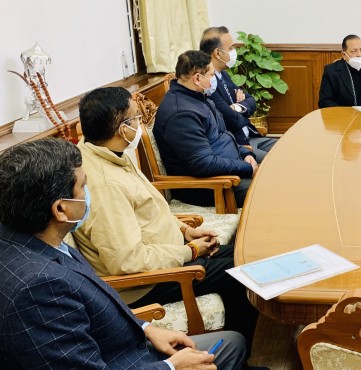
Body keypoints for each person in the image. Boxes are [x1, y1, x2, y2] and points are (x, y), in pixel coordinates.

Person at [0, 138, 246, 370]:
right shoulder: (39, 289)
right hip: (125, 360)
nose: (89, 193)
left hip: (127, 343)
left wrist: (147, 328)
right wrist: (171, 367)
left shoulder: (30, 239)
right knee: (232, 346)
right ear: (61, 209)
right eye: (83, 187)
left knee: (233, 342)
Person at [73, 86, 259, 346]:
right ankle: (238, 354)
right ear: (121, 128)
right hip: (146, 282)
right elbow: (127, 262)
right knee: (244, 271)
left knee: (247, 252)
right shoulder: (104, 184)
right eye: (136, 118)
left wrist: (185, 231)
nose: (141, 124)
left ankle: (239, 346)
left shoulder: (107, 153)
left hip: (168, 251)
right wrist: (191, 252)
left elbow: (150, 207)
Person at [154, 50, 257, 207]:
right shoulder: (181, 114)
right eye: (210, 75)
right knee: (271, 190)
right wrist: (247, 168)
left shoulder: (199, 98)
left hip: (229, 170)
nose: (213, 79)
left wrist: (245, 153)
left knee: (277, 171)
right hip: (210, 187)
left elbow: (224, 135)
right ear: (197, 78)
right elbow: (203, 164)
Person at [200, 26, 277, 163]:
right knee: (278, 161)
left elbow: (250, 100)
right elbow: (231, 120)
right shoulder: (208, 83)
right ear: (218, 53)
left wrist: (237, 107)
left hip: (252, 135)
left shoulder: (223, 74)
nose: (234, 52)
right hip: (240, 145)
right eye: (230, 48)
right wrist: (240, 109)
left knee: (288, 148)